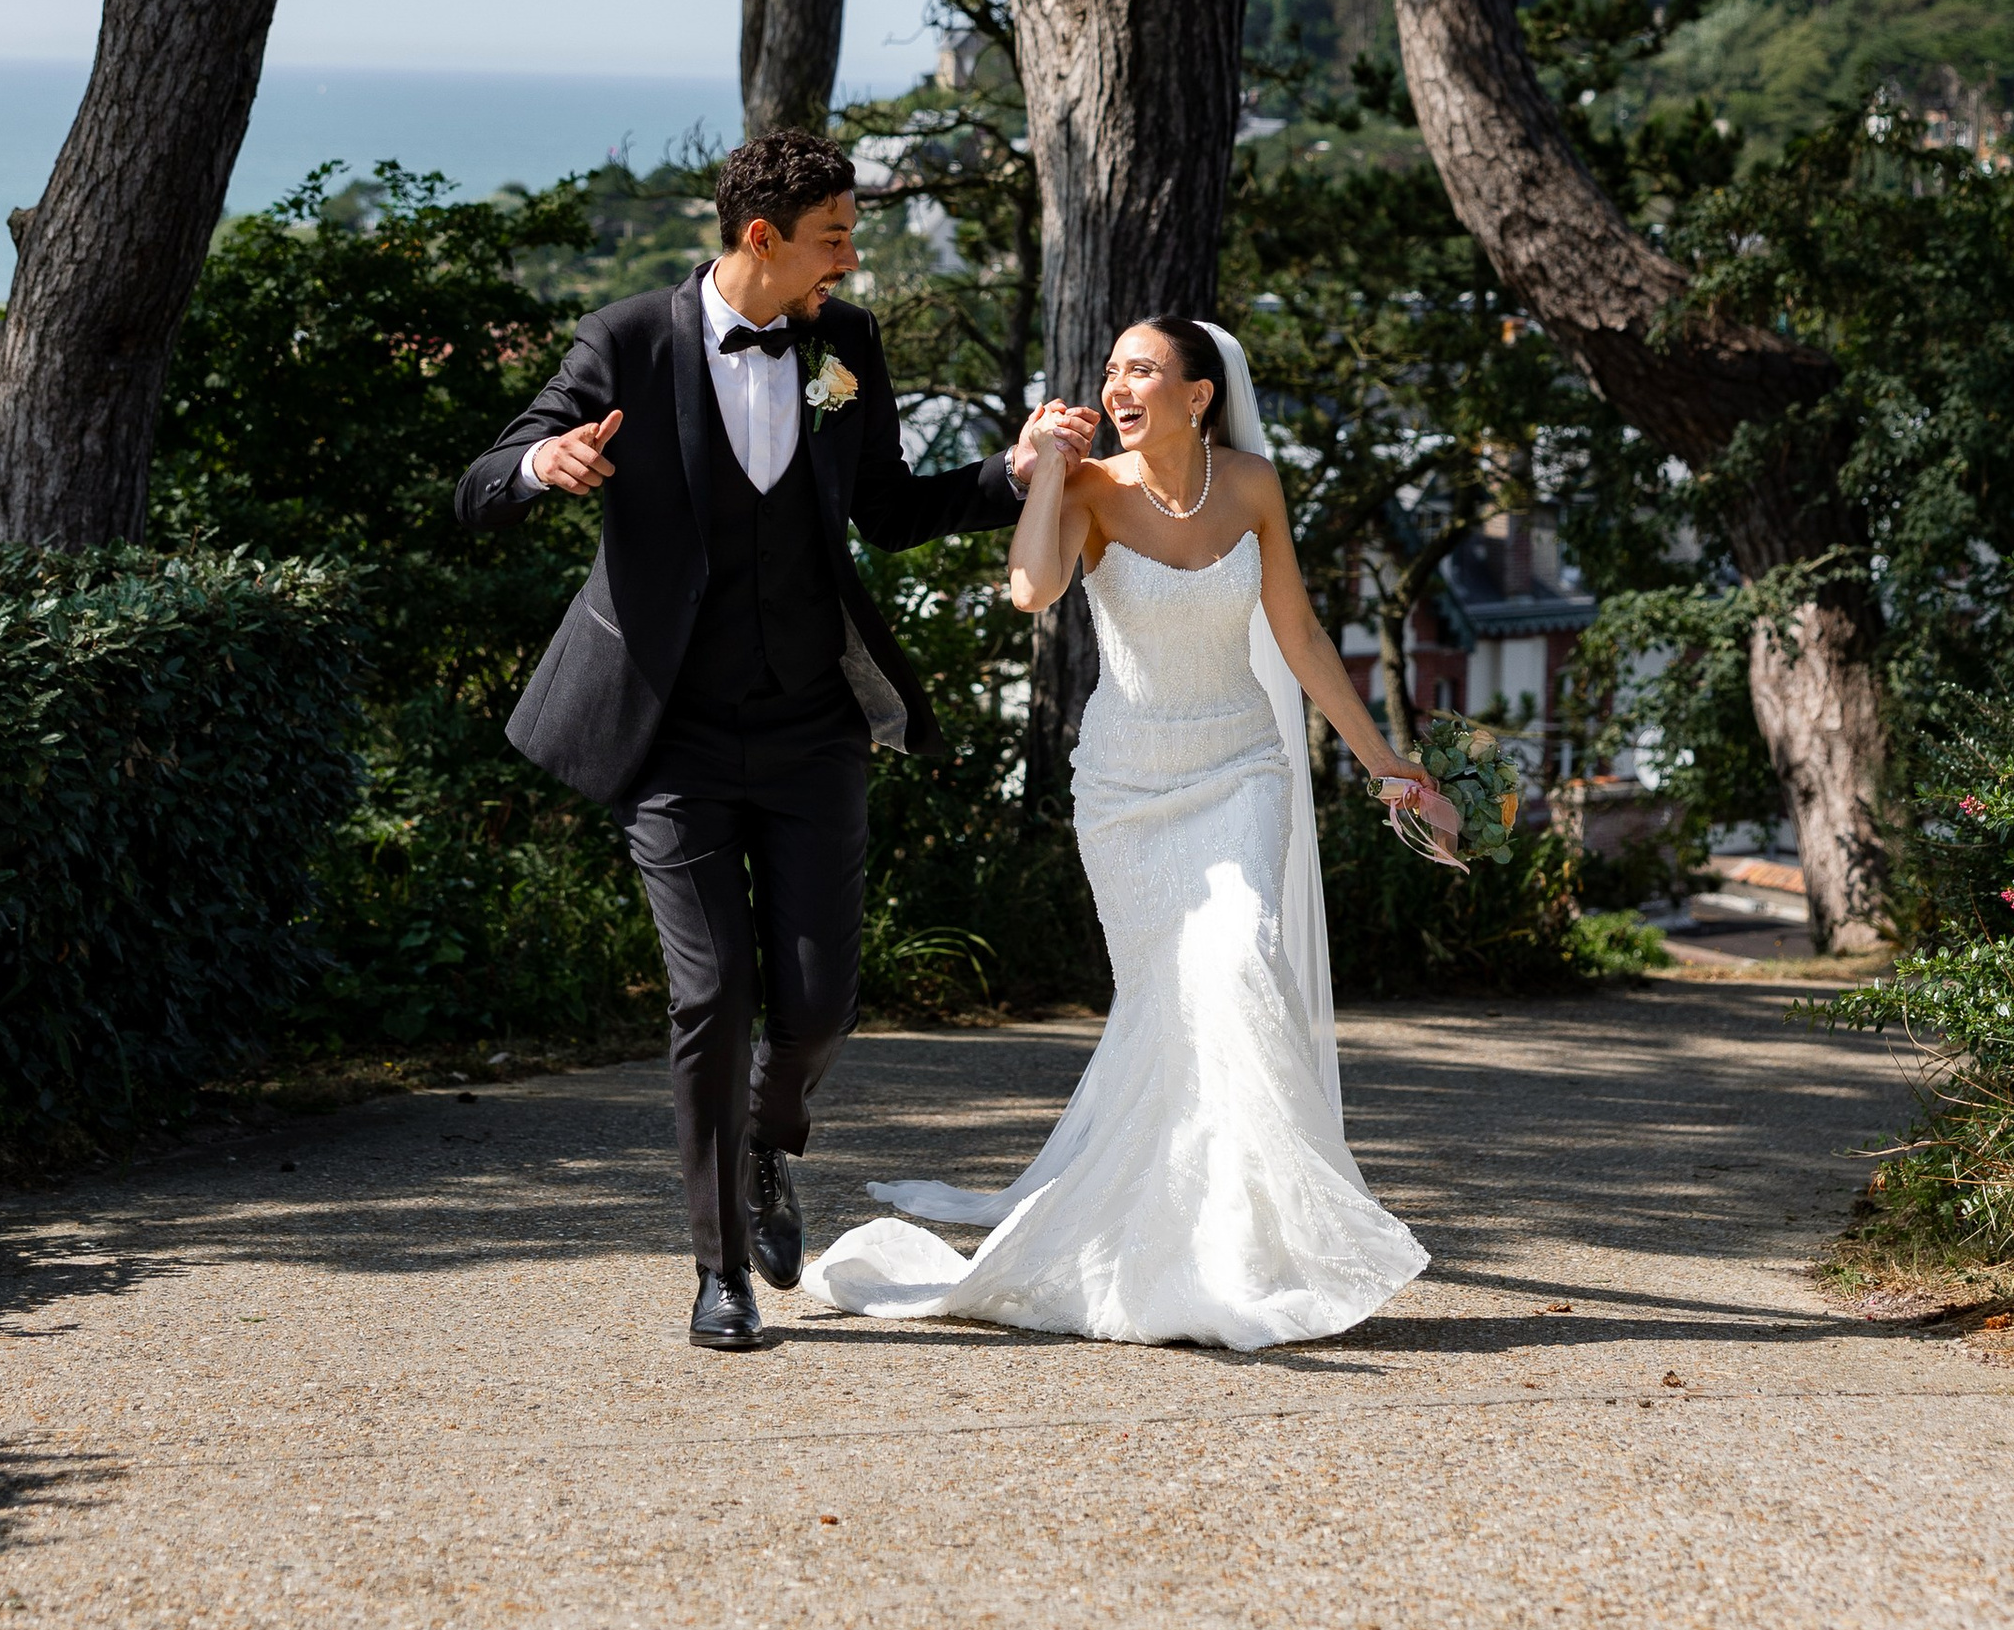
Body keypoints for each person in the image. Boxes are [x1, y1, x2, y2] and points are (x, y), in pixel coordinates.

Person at [455, 129, 1085, 1353]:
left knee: (817, 1005)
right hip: (670, 737)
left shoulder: (843, 347)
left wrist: (1008, 474)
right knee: (714, 995)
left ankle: (764, 1147)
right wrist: (545, 460)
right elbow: (477, 484)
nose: (851, 257)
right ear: (763, 238)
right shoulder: (626, 340)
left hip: (812, 729)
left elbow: (892, 513)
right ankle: (718, 1273)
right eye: (835, 237)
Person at [805, 315, 1455, 1353]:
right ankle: (1167, 1250)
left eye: (1142, 369)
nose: (1117, 384)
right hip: (1127, 792)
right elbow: (1030, 590)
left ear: (1197, 394)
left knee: (1238, 963)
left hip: (1241, 770)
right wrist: (1051, 477)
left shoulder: (1250, 486)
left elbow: (1297, 634)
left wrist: (1390, 768)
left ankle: (1249, 1250)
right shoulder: (1097, 492)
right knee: (1174, 1004)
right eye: (1110, 370)